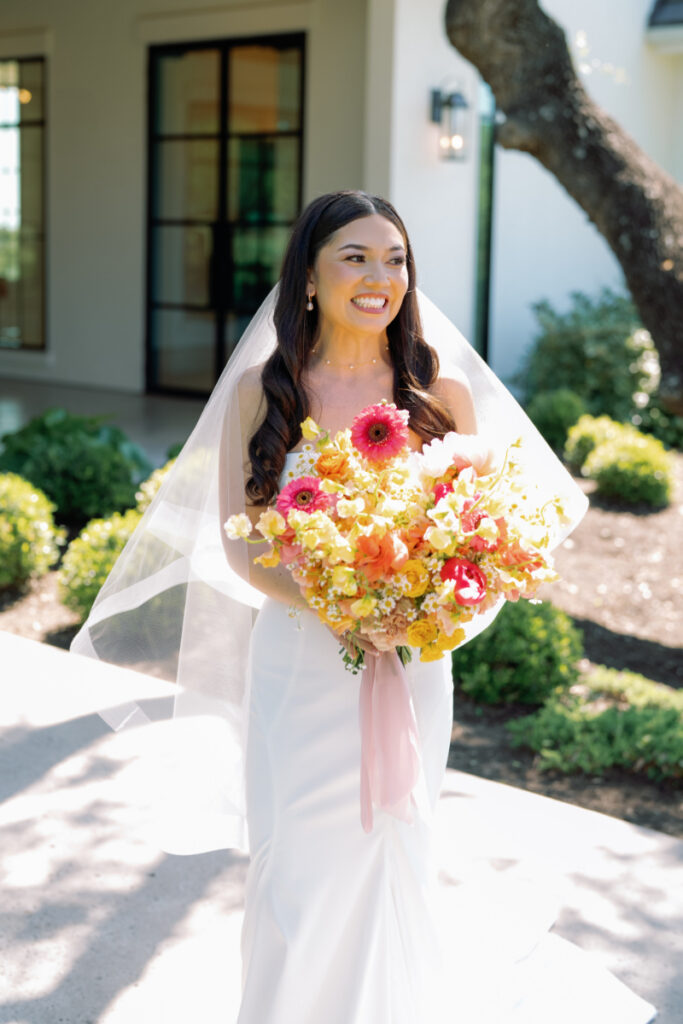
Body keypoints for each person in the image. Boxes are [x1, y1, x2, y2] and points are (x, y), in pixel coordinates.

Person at [71, 190, 656, 1023]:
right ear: (308, 277)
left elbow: (484, 532)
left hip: (414, 660)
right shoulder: (261, 392)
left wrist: (417, 609)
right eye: (354, 256)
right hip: (300, 657)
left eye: (395, 259)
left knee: (392, 850)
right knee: (300, 859)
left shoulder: (438, 391)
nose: (379, 276)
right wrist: (341, 606)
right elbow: (245, 548)